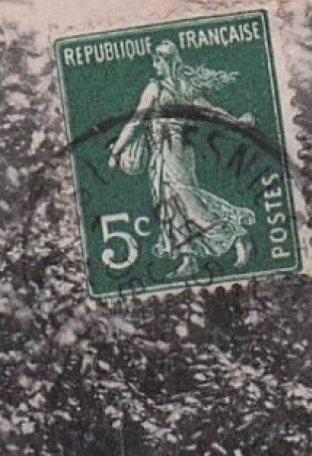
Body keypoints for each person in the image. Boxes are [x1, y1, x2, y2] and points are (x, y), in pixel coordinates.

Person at [108, 39, 256, 280]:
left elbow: (135, 122)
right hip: (171, 151)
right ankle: (189, 259)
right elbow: (211, 111)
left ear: (163, 61)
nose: (154, 65)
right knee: (169, 205)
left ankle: (237, 234)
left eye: (157, 60)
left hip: (171, 152)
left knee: (188, 202)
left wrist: (116, 151)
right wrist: (236, 121)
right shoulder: (183, 88)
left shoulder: (156, 89)